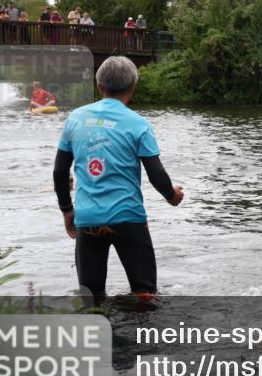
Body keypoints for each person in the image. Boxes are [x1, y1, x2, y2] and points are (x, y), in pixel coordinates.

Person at [52, 56, 184, 300]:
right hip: (128, 219)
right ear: (132, 87)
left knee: (91, 298)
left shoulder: (75, 119)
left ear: (99, 86)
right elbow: (156, 173)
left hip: (88, 220)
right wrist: (171, 196)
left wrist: (67, 210)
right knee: (145, 294)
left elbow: (60, 171)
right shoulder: (138, 124)